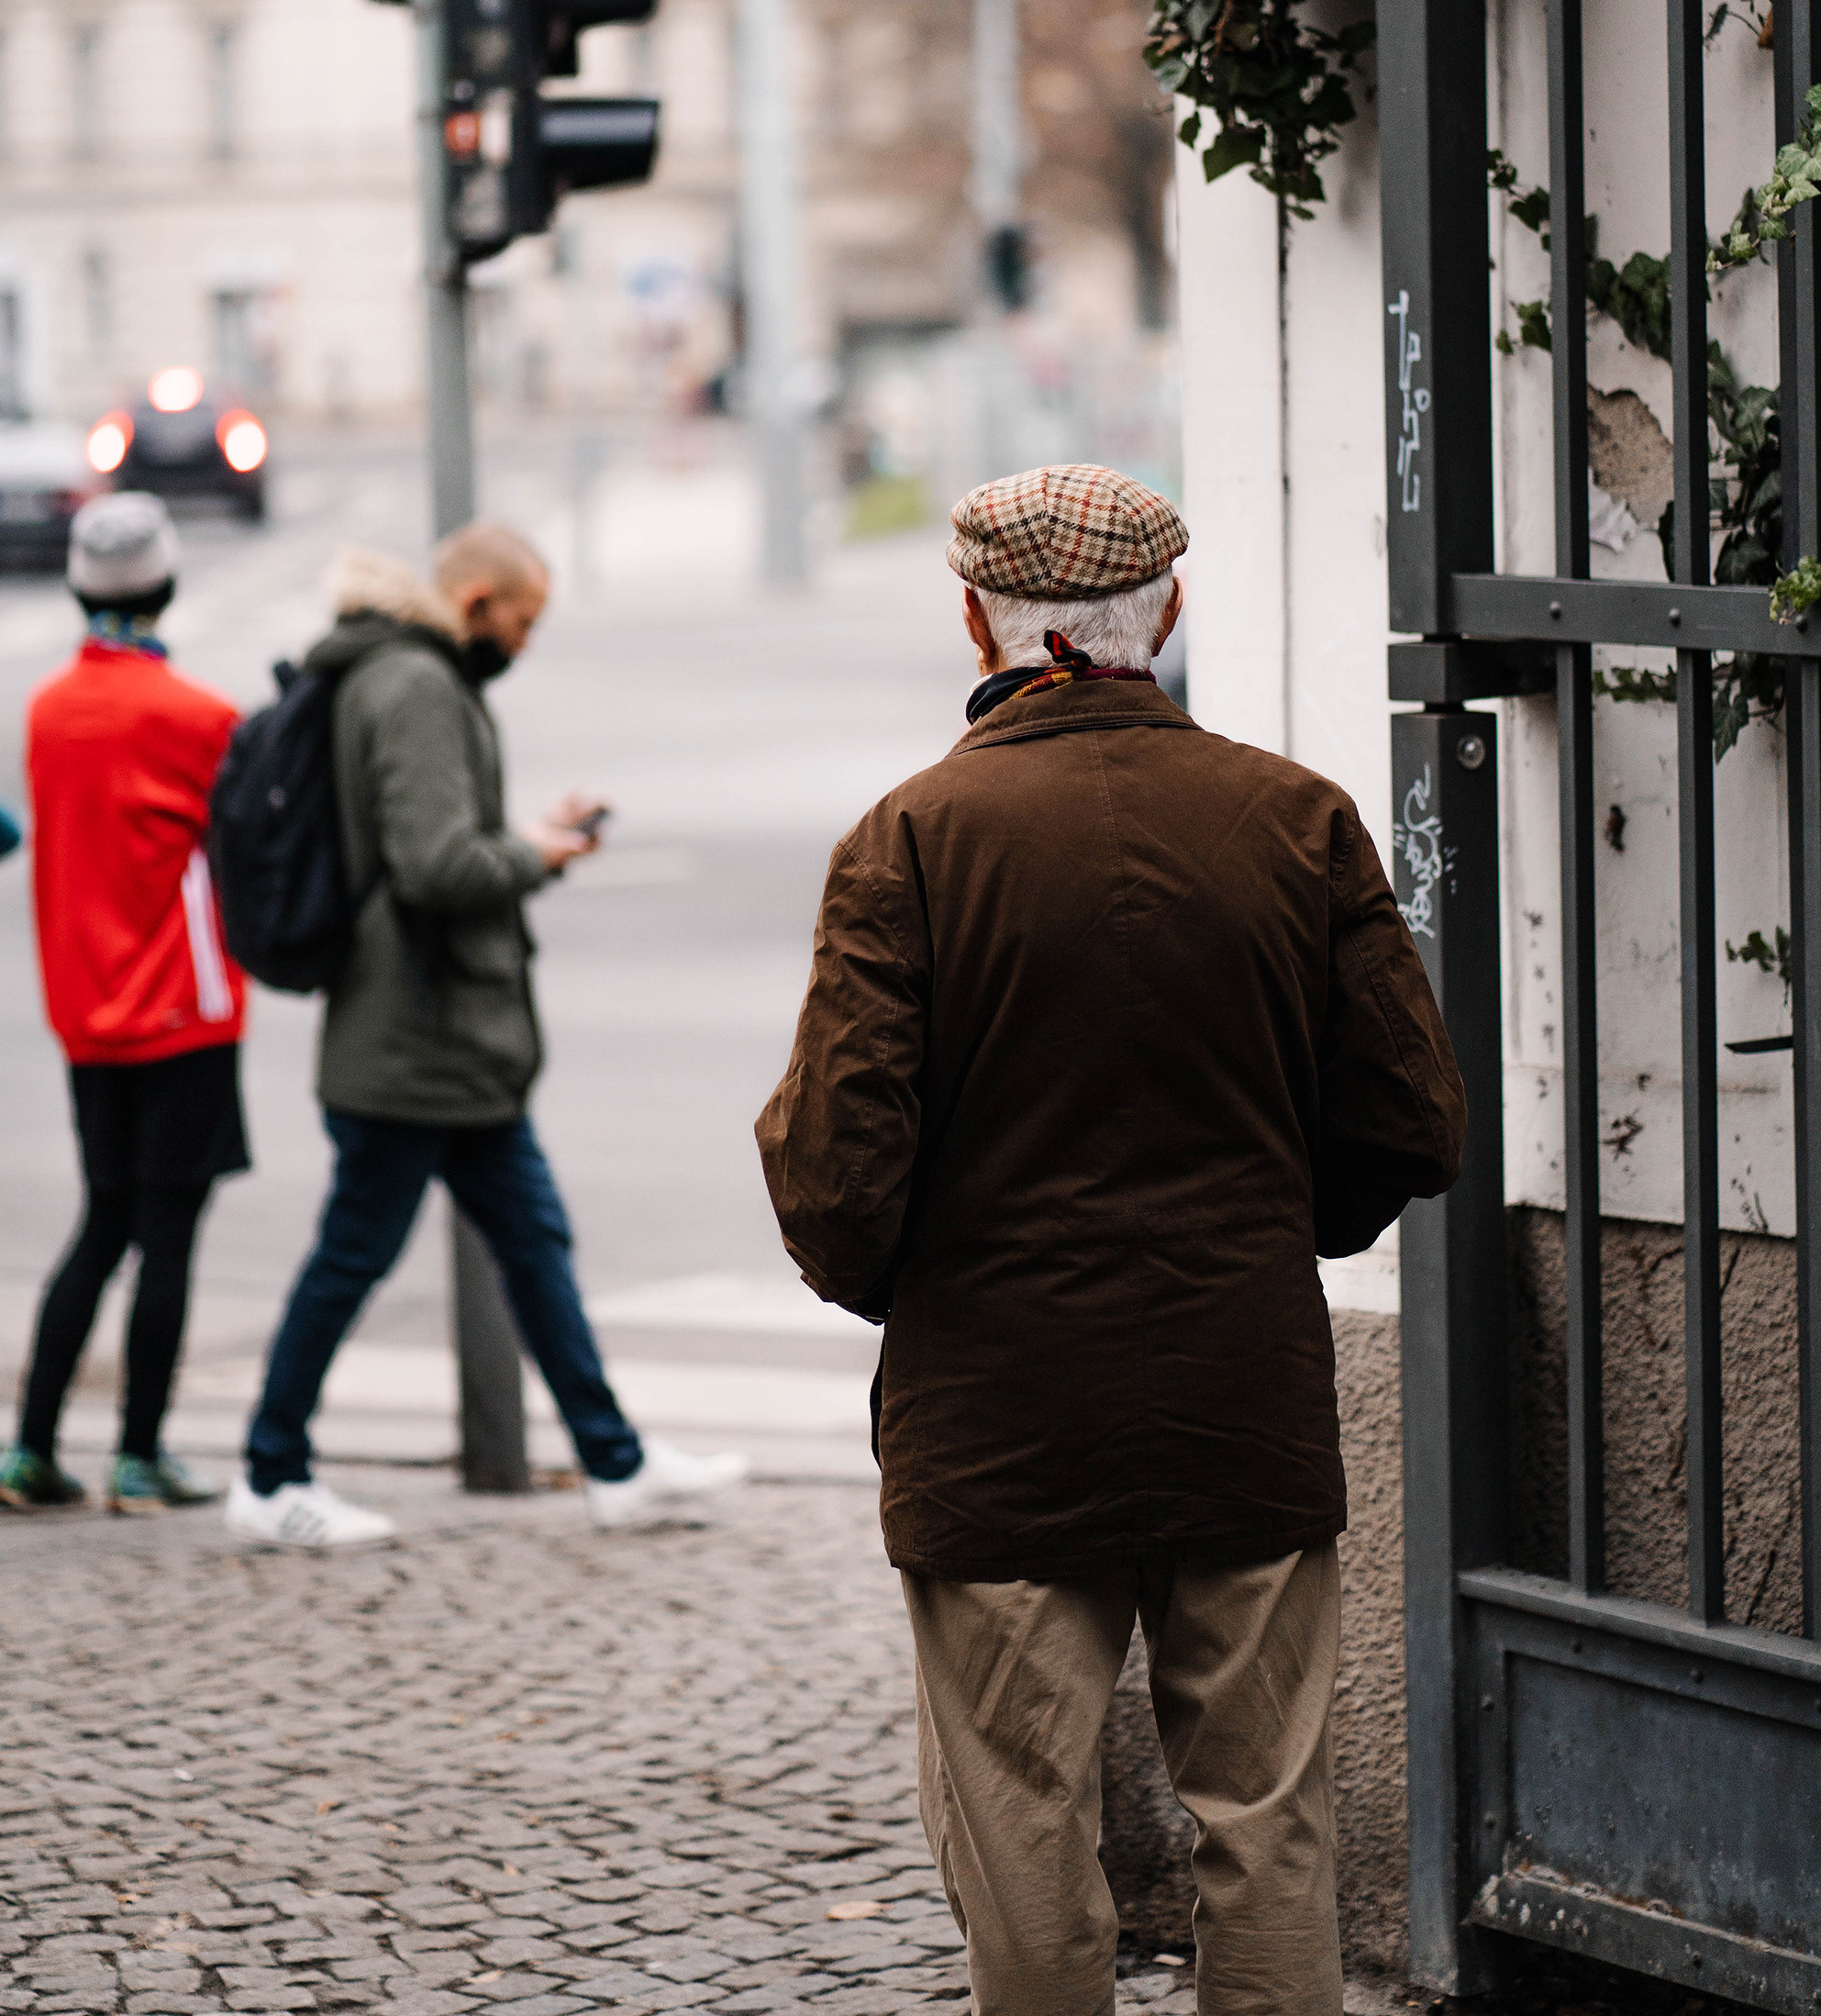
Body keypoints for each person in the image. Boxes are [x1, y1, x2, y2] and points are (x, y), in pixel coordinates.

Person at [757, 463, 1468, 2016]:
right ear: (1170, 609)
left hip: (997, 1411)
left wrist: (924, 1294)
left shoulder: (912, 841)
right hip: (1241, 1386)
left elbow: (834, 1175)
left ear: (972, 619)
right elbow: (1410, 1122)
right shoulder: (1296, 820)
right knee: (1268, 1822)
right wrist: (1277, 1235)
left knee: (1022, 1828)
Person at [228, 523, 746, 1551]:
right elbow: (433, 866)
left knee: (530, 1242)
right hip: (415, 1034)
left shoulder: (400, 675)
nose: (526, 640)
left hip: (443, 1038)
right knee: (354, 1255)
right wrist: (540, 855)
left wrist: (522, 838)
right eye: (522, 619)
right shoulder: (414, 685)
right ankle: (268, 1473)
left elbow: (428, 843)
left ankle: (615, 1461)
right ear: (473, 603)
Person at [0, 494, 248, 1519]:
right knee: (171, 1232)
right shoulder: (201, 718)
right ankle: (140, 1456)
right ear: (168, 583)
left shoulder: (48, 710)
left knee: (102, 1222)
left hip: (85, 1011)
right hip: (185, 1008)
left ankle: (30, 1446)